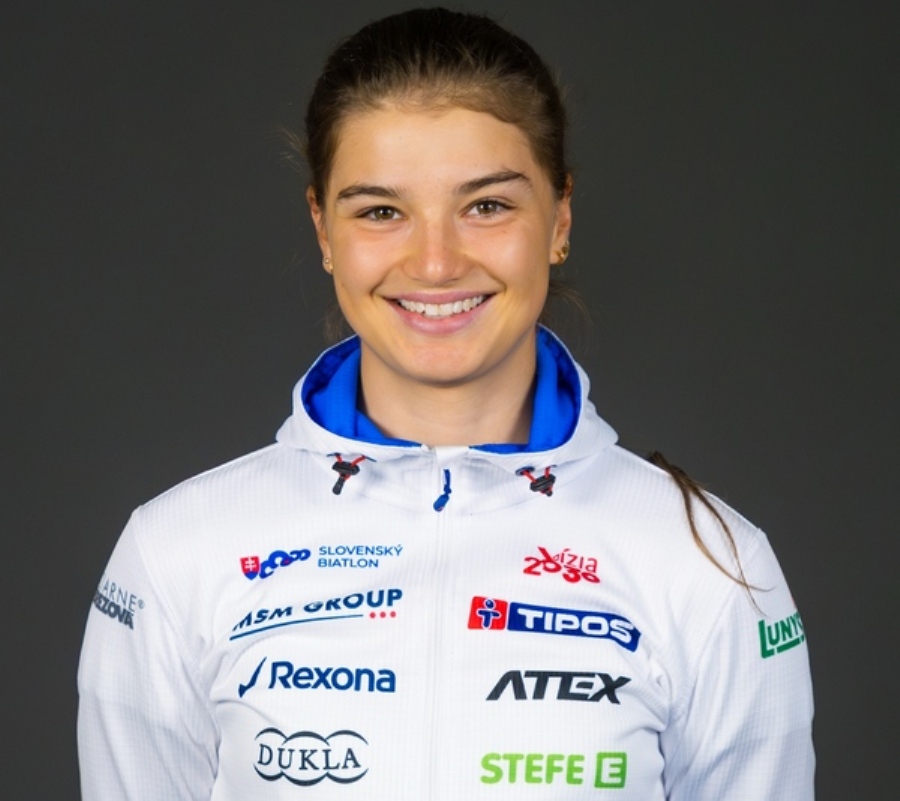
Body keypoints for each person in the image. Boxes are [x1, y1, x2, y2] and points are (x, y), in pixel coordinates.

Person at [77, 7, 815, 799]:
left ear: (560, 217)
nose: (435, 263)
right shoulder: (177, 552)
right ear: (323, 229)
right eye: (381, 211)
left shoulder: (711, 565)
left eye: (486, 205)